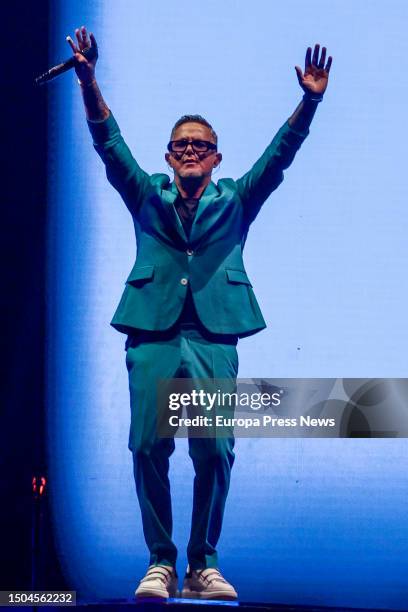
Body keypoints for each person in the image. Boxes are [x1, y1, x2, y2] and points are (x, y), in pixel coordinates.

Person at [67, 26, 332, 600]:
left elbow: (277, 158)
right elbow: (107, 143)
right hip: (153, 332)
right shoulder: (145, 194)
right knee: (147, 446)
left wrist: (308, 101)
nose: (189, 151)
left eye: (199, 145)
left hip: (213, 334)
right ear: (168, 156)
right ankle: (160, 561)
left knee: (214, 448)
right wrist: (88, 80)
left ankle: (201, 562)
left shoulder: (234, 200)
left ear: (215, 157)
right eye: (180, 145)